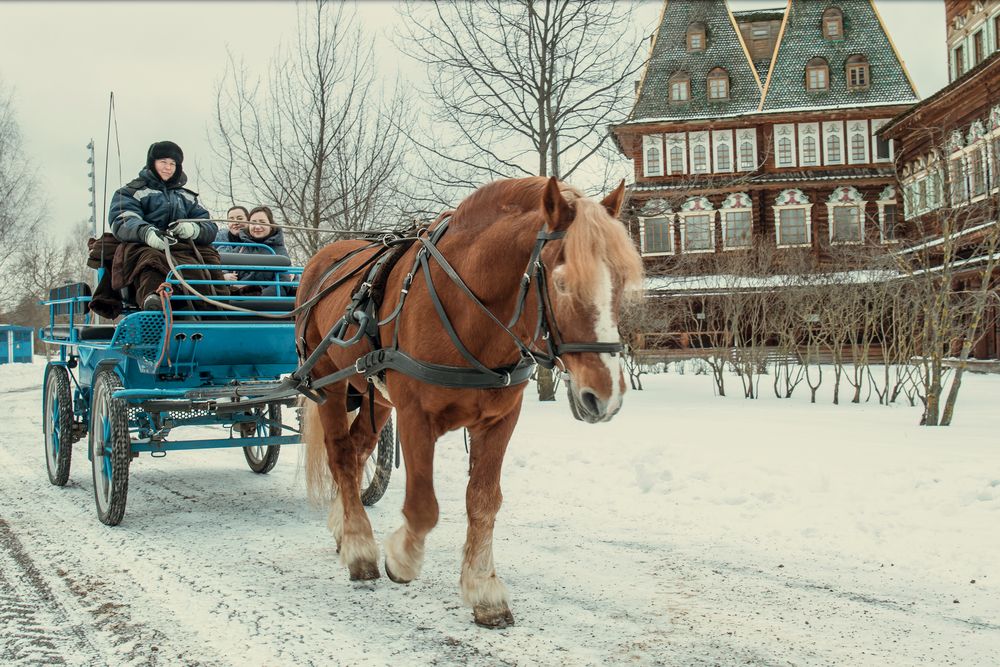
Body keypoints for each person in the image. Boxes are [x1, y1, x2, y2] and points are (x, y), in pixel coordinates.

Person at [107, 140, 226, 310]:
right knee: (152, 259)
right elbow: (124, 218)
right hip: (145, 243)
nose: (168, 167)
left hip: (182, 246)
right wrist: (146, 232)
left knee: (209, 257)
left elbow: (208, 225)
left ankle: (218, 304)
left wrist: (194, 229)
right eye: (163, 162)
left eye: (173, 164)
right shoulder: (130, 192)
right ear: (152, 163)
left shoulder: (186, 196)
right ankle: (154, 301)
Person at [230, 205, 290, 295]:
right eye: (253, 223)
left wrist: (261, 297)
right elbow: (226, 268)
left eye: (262, 222)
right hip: (239, 299)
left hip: (266, 301)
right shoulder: (241, 248)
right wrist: (225, 276)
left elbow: (283, 282)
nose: (257, 226)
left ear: (271, 225)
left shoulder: (278, 250)